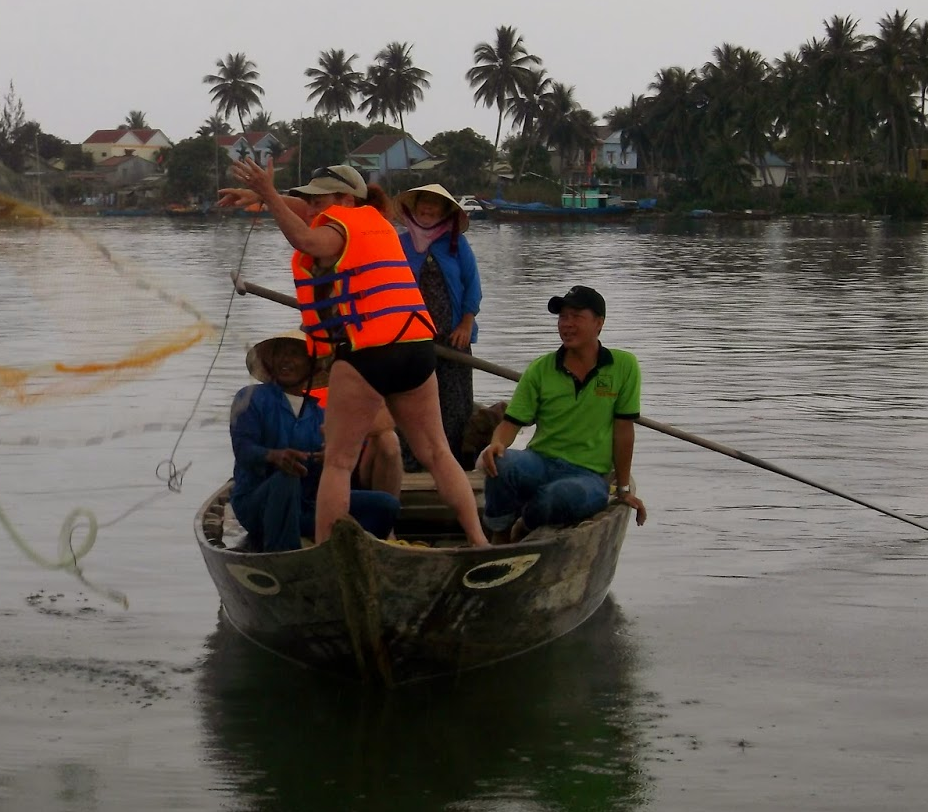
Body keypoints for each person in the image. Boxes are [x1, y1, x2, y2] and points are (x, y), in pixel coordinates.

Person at [221, 161, 488, 548]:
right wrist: (265, 196)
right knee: (437, 452)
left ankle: (327, 550)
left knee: (339, 462)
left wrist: (267, 193)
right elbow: (306, 213)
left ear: (346, 199)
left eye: (319, 200)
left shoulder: (337, 229)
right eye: (309, 201)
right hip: (416, 349)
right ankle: (478, 541)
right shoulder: (374, 220)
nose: (311, 209)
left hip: (368, 353)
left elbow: (308, 243)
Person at [477, 285, 649, 540]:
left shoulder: (624, 367)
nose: (566, 324)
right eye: (562, 317)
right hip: (540, 461)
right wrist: (496, 444)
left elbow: (624, 431)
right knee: (502, 464)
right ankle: (498, 533)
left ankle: (524, 524)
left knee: (562, 496)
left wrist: (623, 489)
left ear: (599, 323)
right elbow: (511, 423)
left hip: (588, 474)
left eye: (576, 317)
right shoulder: (541, 369)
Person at [229, 333, 402, 552]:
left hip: (307, 505)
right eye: (279, 354)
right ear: (269, 363)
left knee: (386, 506)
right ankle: (285, 555)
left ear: (312, 365)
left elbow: (330, 466)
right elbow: (243, 449)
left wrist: (326, 457)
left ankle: (361, 551)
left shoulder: (319, 415)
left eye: (294, 354)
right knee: (287, 478)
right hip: (258, 504)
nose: (285, 360)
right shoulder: (251, 397)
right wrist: (274, 456)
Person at [396, 183, 483, 467]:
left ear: (446, 211)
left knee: (454, 404)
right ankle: (410, 464)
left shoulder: (456, 244)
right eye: (424, 202)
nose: (428, 209)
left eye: (436, 204)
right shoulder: (401, 243)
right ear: (414, 206)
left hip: (452, 338)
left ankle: (453, 464)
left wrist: (466, 324)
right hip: (410, 338)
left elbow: (473, 287)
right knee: (410, 401)